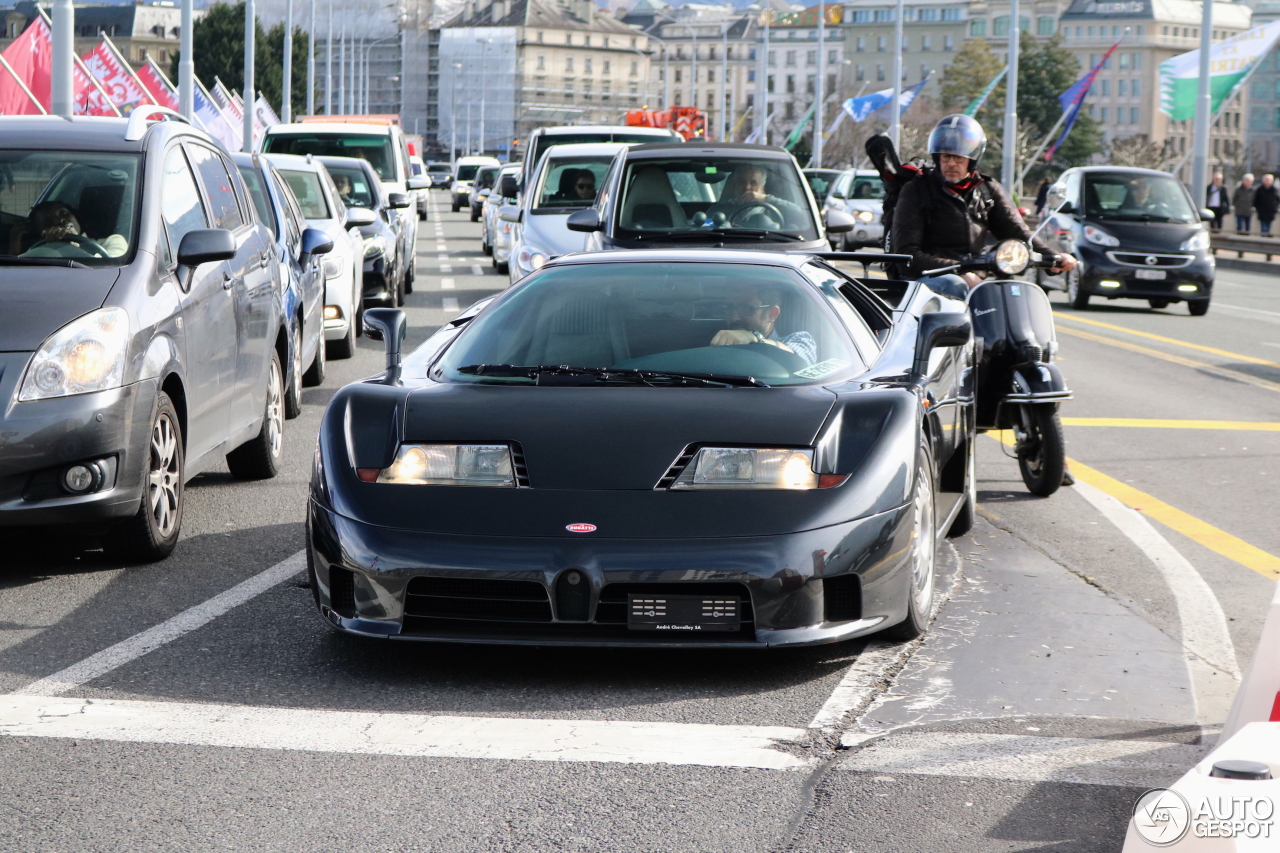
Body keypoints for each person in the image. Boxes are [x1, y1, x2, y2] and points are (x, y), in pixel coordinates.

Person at [890, 114, 1074, 301]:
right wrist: (960, 270)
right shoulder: (917, 190)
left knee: (1014, 293)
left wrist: (1053, 256)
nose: (951, 163)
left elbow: (1017, 232)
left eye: (958, 157)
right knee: (954, 285)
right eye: (946, 157)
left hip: (976, 277)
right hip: (927, 280)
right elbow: (906, 255)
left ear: (972, 159)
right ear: (937, 158)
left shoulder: (987, 190)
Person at [709, 285, 817, 366]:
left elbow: (801, 362)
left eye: (746, 309)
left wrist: (755, 338)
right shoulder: (717, 343)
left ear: (772, 314)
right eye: (730, 308)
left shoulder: (799, 340)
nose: (735, 317)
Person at [706, 164, 804, 227]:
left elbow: (800, 214)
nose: (747, 187)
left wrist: (766, 199)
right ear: (735, 186)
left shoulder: (772, 211)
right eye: (742, 182)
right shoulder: (717, 211)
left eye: (753, 183)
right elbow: (704, 228)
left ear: (761, 188)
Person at [20, 201, 126, 258]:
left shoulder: (112, 241)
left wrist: (72, 243)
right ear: (41, 233)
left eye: (64, 213)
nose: (61, 220)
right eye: (49, 222)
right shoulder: (36, 256)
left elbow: (111, 269)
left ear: (75, 216)